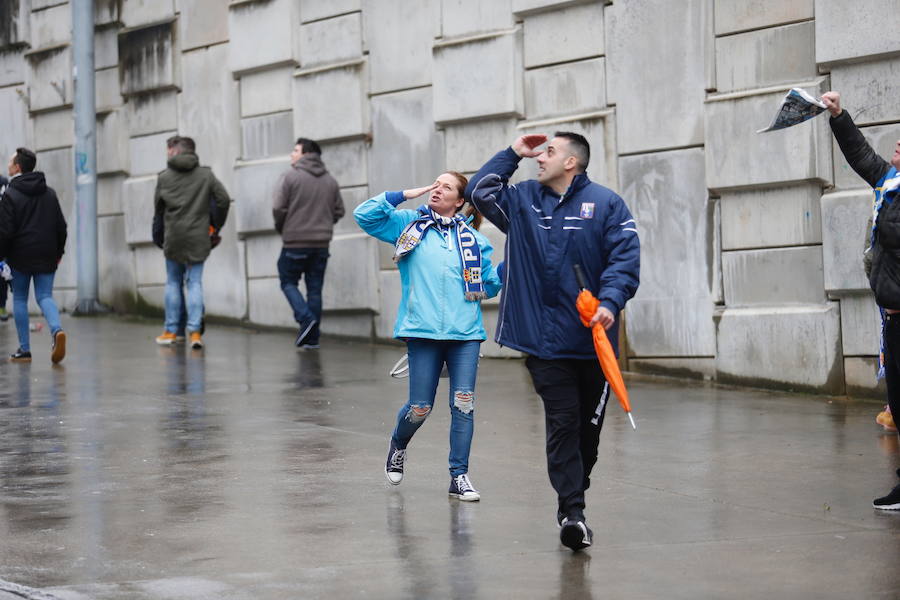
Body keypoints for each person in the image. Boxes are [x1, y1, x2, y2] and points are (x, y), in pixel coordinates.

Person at [465, 132, 640, 549]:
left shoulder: (607, 204)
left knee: (587, 434)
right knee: (563, 422)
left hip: (594, 343)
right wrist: (512, 153)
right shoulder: (522, 200)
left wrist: (610, 302)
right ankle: (573, 513)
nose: (539, 158)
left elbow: (625, 260)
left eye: (549, 152)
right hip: (542, 343)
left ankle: (574, 491)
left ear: (571, 163)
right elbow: (478, 190)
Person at [354, 171, 502, 501]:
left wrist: (506, 271)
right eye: (435, 185)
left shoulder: (476, 241)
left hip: (465, 334)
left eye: (445, 187)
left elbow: (488, 287)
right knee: (420, 407)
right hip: (421, 331)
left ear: (460, 201)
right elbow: (364, 215)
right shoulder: (408, 226)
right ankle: (398, 444)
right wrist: (408, 192)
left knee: (464, 404)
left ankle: (459, 476)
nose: (437, 190)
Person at [822, 91, 900, 510]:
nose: (898, 145)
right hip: (892, 314)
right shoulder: (890, 182)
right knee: (899, 403)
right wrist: (838, 115)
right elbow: (860, 154)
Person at [152, 136, 230, 349]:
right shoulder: (205, 175)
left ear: (175, 151)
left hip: (174, 236)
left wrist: (158, 236)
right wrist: (216, 224)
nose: (167, 153)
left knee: (173, 282)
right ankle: (195, 334)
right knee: (195, 283)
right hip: (198, 236)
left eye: (169, 150)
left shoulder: (164, 178)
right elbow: (223, 199)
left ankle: (171, 331)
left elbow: (158, 211)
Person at [273, 138, 344, 349]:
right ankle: (312, 339)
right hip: (321, 244)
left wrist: (284, 227)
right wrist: (322, 224)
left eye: (295, 150)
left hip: (294, 241)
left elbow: (278, 207)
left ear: (306, 153)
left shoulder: (290, 176)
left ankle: (305, 319)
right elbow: (339, 211)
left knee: (287, 281)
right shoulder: (330, 180)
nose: (291, 154)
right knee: (314, 291)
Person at [0, 147, 68, 363]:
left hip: (20, 256)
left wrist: (2, 258)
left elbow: (5, 231)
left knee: (19, 298)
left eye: (11, 162)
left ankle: (24, 350)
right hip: (47, 255)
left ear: (18, 167)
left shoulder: (10, 194)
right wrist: (58, 253)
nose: (8, 165)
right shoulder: (49, 193)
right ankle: (57, 330)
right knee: (45, 296)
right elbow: (61, 227)